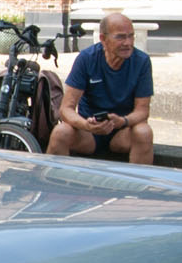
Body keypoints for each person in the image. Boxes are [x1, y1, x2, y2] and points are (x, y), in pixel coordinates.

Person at [46, 13, 154, 163]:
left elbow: (143, 111)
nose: (128, 43)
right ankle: (52, 182)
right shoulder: (87, 58)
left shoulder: (142, 61)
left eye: (131, 36)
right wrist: (86, 125)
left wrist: (122, 121)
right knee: (60, 132)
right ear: (103, 39)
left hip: (122, 131)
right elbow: (66, 109)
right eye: (121, 37)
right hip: (89, 132)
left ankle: (138, 185)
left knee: (144, 132)